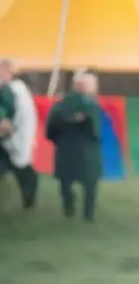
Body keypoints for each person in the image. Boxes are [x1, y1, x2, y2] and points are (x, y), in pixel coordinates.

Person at [46, 71, 102, 221]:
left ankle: (68, 207)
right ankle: (88, 214)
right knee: (90, 183)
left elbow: (50, 129)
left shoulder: (60, 104)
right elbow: (95, 131)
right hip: (87, 151)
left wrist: (57, 137)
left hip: (65, 148)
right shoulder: (91, 105)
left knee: (65, 180)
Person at [0, 59, 39, 209]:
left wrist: (8, 126)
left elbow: (19, 116)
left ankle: (29, 199)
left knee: (22, 169)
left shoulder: (16, 90)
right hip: (6, 138)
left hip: (13, 138)